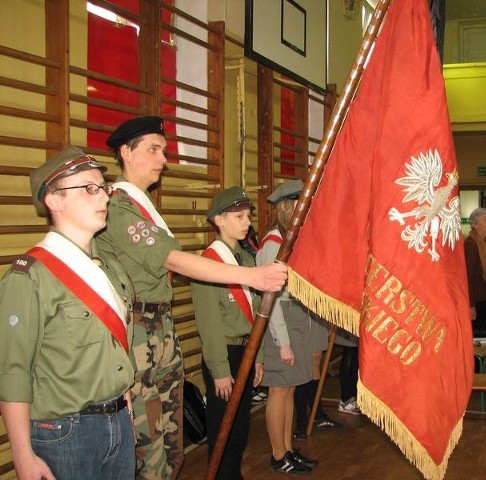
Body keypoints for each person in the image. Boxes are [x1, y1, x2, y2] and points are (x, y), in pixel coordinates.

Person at [96, 116, 287, 479]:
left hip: (158, 331)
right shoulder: (119, 208)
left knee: (169, 441)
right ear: (125, 152)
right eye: (153, 150)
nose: (162, 159)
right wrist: (251, 275)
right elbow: (171, 259)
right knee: (148, 443)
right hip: (136, 333)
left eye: (163, 150)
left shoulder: (142, 207)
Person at [0, 147, 136, 479]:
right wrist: (23, 457)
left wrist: (125, 399)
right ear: (54, 200)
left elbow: (117, 345)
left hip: (118, 419)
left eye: (103, 187)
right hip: (66, 434)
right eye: (89, 188)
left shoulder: (110, 269)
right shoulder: (29, 276)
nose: (103, 196)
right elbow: (12, 372)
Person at [190, 186, 265, 480]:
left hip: (246, 351)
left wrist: (257, 356)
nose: (247, 222)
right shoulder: (208, 262)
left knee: (240, 427)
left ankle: (233, 474)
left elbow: (256, 314)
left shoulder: (245, 260)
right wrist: (220, 370)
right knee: (223, 428)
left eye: (248, 216)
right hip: (224, 355)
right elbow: (209, 324)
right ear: (219, 220)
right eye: (239, 216)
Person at [256, 179, 319, 475]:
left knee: (290, 390)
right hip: (279, 327)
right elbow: (271, 300)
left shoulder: (289, 240)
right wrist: (282, 342)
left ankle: (288, 449)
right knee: (279, 391)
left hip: (295, 324)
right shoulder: (272, 245)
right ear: (288, 207)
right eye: (300, 205)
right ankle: (277, 453)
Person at [464, 207, 486, 332]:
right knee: (477, 334)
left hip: (485, 298)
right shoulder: (471, 244)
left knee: (483, 330)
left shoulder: (485, 244)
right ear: (475, 224)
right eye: (485, 220)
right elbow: (467, 277)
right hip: (476, 300)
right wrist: (471, 305)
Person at [335, 329, 362, 416]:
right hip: (349, 324)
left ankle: (351, 398)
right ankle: (346, 399)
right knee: (350, 353)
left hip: (356, 324)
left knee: (354, 356)